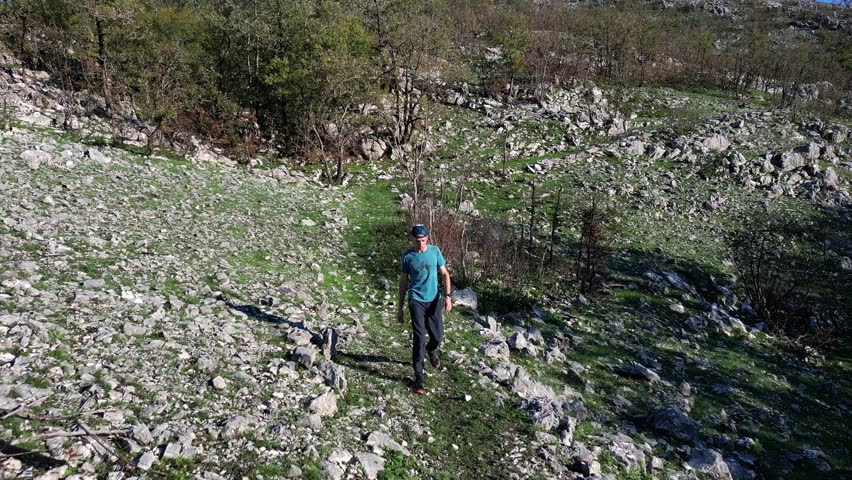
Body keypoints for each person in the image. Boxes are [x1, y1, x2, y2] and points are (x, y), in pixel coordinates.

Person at [397, 224, 452, 394]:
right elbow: (404, 281)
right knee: (419, 338)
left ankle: (431, 350)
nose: (420, 243)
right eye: (417, 240)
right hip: (416, 301)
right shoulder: (408, 256)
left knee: (438, 336)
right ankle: (418, 378)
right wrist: (400, 307)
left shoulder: (435, 252)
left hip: (434, 301)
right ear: (412, 239)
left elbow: (445, 274)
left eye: (423, 240)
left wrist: (448, 297)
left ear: (427, 238)